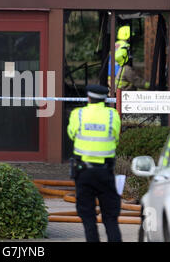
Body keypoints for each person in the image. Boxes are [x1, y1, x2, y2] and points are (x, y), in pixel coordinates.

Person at [67, 84, 122, 242]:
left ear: (88, 98)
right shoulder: (112, 115)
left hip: (83, 172)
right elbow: (116, 139)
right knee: (111, 217)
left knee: (88, 217)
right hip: (105, 172)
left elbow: (72, 134)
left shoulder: (78, 114)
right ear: (105, 99)